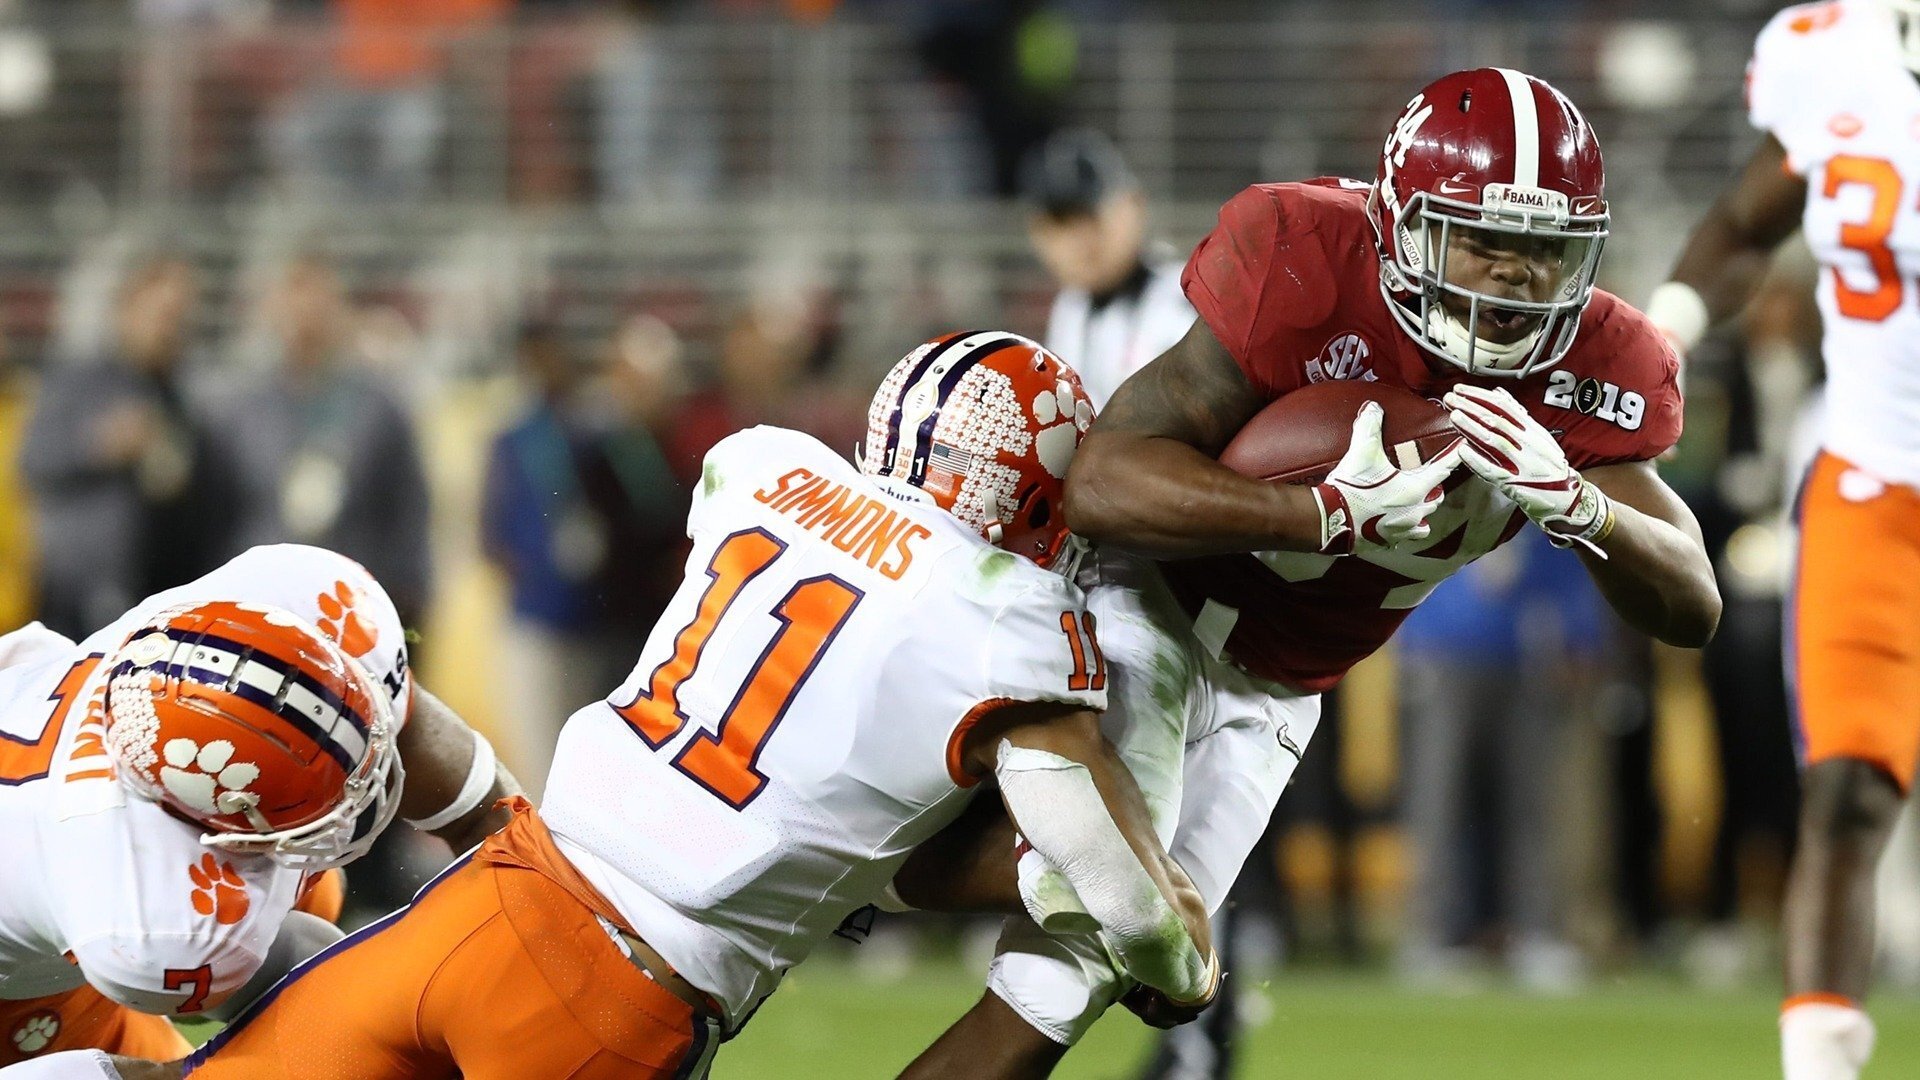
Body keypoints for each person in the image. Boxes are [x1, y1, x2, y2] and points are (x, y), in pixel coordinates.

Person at [82, 333, 1218, 1080]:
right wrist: (1177, 962)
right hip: (621, 998)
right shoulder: (1009, 617)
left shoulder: (766, 470)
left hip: (501, 890)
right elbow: (1093, 852)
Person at [894, 67, 1719, 1077]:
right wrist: (1317, 511)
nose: (1513, 277)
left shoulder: (1599, 366)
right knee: (1116, 924)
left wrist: (1584, 508)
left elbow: (1692, 601)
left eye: (1545, 251)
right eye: (1483, 239)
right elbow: (1105, 482)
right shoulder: (1305, 255)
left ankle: (937, 868)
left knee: (1087, 974)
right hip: (1146, 606)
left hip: (1285, 693)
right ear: (1404, 223)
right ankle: (905, 870)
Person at [1645, 2, 1920, 1075]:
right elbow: (1745, 221)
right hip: (1871, 481)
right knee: (1847, 788)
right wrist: (1660, 331)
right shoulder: (1830, 54)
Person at [0, 543, 520, 1069]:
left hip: (40, 771)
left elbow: (462, 785)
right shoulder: (150, 917)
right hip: (18, 993)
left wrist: (527, 879)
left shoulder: (305, 597)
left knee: (321, 925)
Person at [22, 257, 234, 639]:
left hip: (166, 590)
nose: (168, 329)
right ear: (126, 309)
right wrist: (100, 446)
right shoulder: (80, 379)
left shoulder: (189, 395)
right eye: (160, 314)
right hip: (87, 591)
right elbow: (34, 460)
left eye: (178, 318)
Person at [1025, 128, 1196, 408]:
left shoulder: (1189, 296)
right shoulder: (1070, 307)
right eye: (1062, 223)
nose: (1081, 240)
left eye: (1092, 216)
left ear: (1134, 205)